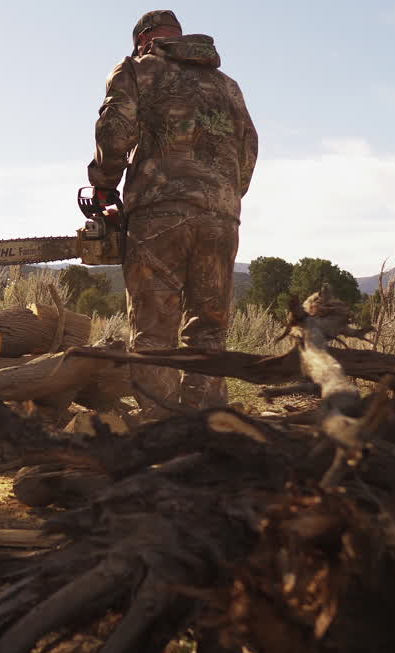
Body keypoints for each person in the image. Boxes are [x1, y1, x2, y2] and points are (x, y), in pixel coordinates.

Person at [88, 9, 257, 416]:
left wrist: (104, 183)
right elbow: (249, 148)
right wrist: (225, 195)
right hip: (221, 217)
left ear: (144, 39)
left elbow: (114, 132)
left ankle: (158, 431)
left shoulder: (138, 68)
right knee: (210, 332)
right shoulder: (228, 86)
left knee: (153, 332)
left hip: (159, 214)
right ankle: (208, 429)